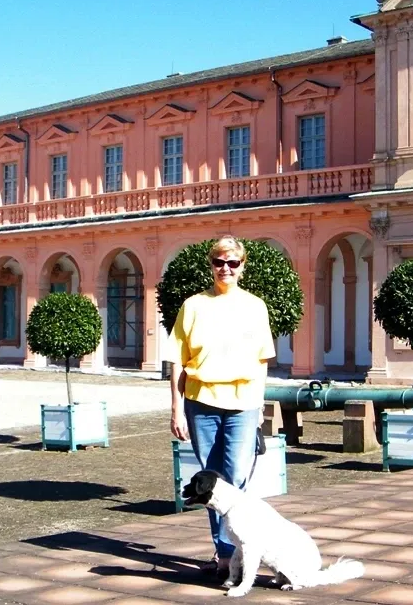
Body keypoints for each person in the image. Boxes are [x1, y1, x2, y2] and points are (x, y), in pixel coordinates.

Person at [168, 235, 276, 580]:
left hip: (243, 403)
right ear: (211, 265)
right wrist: (176, 408)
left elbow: (262, 361)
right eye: (219, 262)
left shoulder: (255, 306)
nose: (225, 268)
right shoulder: (193, 306)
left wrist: (259, 406)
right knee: (210, 481)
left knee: (237, 477)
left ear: (242, 266)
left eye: (232, 263)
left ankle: (241, 548)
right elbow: (177, 361)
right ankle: (226, 555)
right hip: (201, 402)